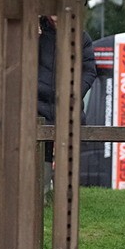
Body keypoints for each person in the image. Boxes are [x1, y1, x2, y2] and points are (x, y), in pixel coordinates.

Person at [38, 15, 98, 165]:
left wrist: (73, 93)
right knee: (39, 165)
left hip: (70, 114)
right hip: (38, 112)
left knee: (68, 166)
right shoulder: (35, 33)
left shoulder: (81, 37)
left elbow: (89, 71)